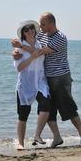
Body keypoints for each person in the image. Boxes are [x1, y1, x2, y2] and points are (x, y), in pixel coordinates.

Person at [11, 12, 81, 147]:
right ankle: (57, 137)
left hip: (60, 77)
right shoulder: (42, 34)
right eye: (39, 25)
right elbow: (30, 41)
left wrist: (21, 47)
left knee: (67, 106)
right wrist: (16, 49)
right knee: (49, 109)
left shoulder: (60, 38)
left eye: (43, 24)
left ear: (51, 24)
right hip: (46, 77)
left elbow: (38, 52)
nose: (39, 27)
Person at [13, 20, 51, 150]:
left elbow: (39, 52)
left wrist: (34, 53)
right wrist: (31, 57)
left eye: (32, 29)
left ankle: (37, 135)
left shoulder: (40, 44)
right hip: (25, 83)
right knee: (23, 115)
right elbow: (19, 68)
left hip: (40, 81)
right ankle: (20, 143)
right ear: (23, 34)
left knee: (46, 104)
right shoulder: (19, 49)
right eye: (26, 30)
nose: (30, 31)